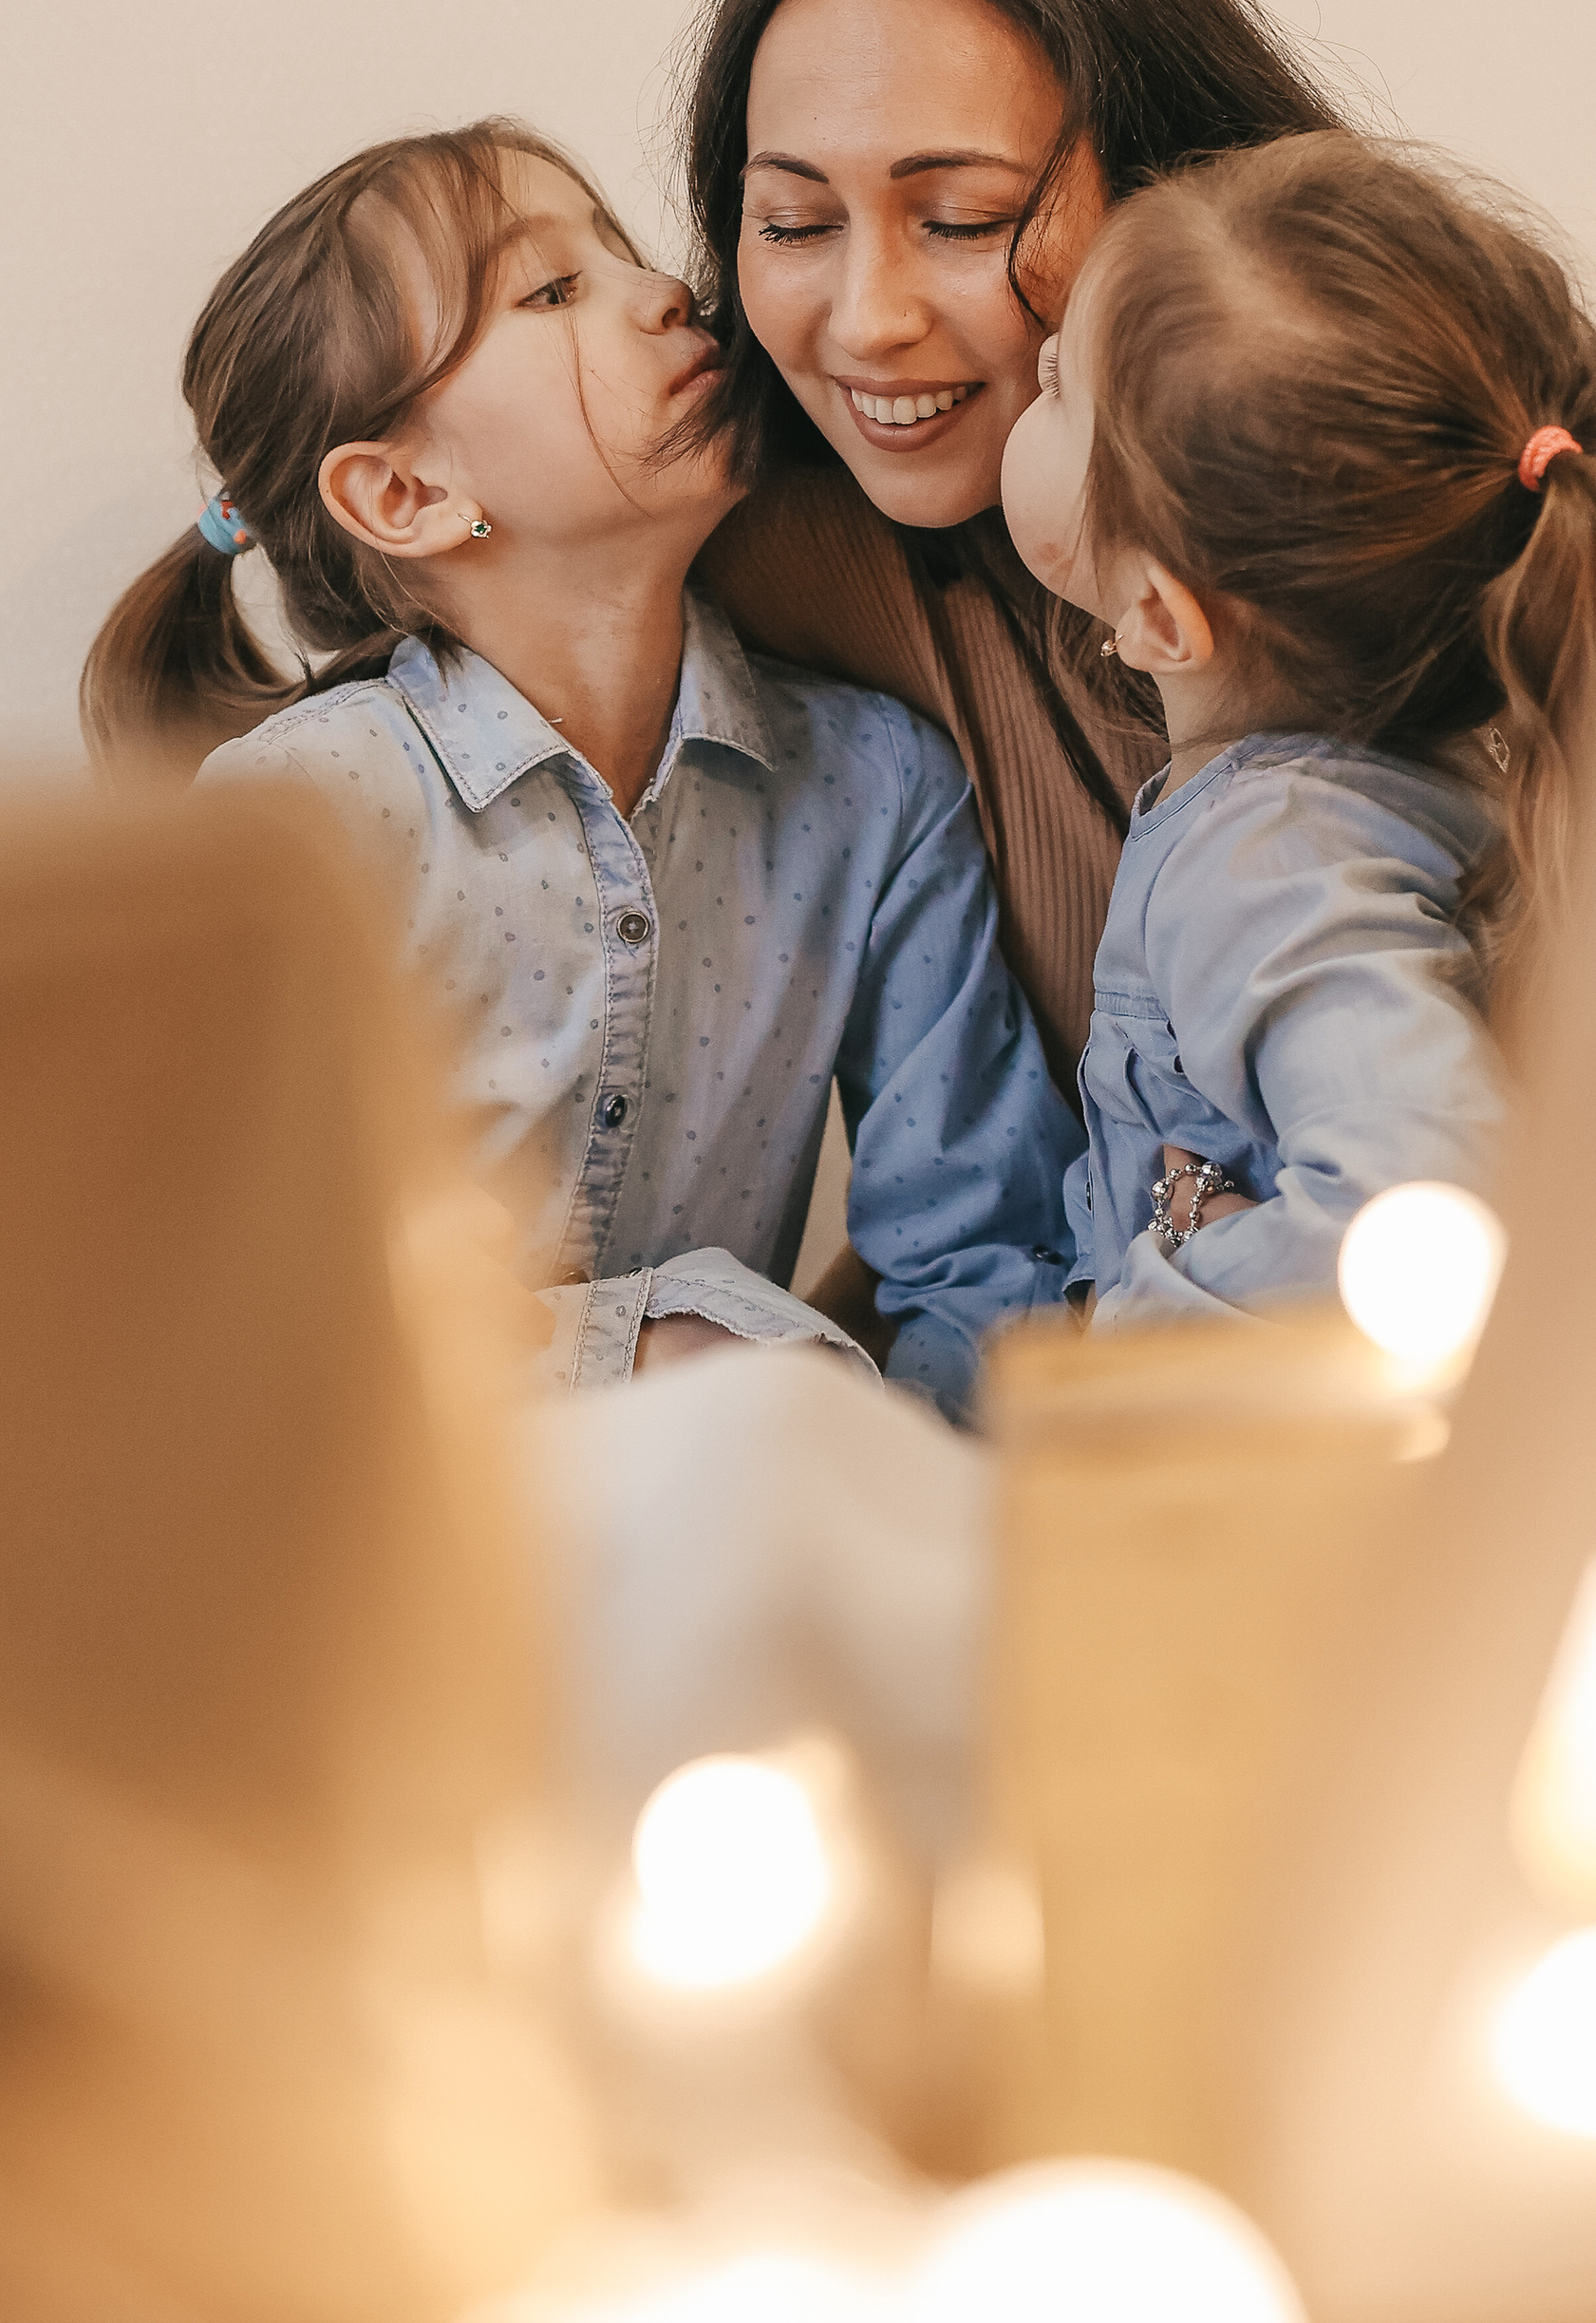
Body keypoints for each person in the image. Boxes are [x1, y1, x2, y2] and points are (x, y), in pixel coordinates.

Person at [81, 122, 1079, 1418]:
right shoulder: (309, 819)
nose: (668, 291)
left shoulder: (878, 788)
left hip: (732, 1538)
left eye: (623, 257)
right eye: (554, 290)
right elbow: (208, 1293)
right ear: (406, 497)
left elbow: (981, 1260)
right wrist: (653, 1350)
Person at [683, 0, 1343, 1097]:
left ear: (1174, 194)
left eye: (962, 222)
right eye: (794, 223)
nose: (869, 319)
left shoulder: (1417, 509)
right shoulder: (791, 542)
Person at [995, 130, 1596, 1322]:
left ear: (1157, 615)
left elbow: (1428, 1205)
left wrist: (1144, 1307)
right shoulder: (1470, 727)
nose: (1036, 358)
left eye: (1062, 389)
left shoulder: (1269, 860)